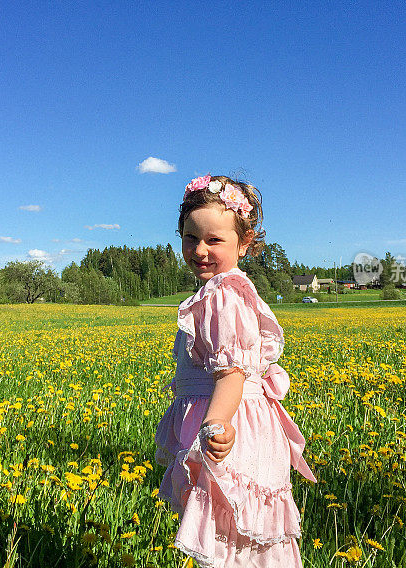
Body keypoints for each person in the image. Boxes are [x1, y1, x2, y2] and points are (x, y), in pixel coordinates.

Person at [155, 175, 316, 568]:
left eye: (215, 240)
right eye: (190, 238)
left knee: (236, 536)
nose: (200, 250)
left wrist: (216, 424)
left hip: (231, 427)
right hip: (233, 421)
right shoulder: (213, 292)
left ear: (243, 244)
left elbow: (232, 373)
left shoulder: (226, 295)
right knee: (237, 537)